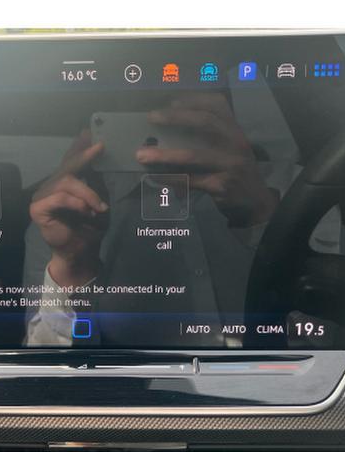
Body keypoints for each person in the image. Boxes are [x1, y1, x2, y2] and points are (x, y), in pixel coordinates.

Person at [22, 92, 317, 347]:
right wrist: (73, 266)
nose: (164, 93)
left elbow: (330, 337)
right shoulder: (65, 216)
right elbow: (49, 370)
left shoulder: (302, 191)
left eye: (188, 71)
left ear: (221, 97)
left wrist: (264, 219)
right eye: (137, 81)